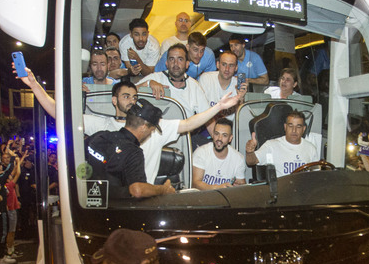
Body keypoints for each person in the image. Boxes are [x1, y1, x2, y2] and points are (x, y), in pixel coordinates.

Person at [21, 72, 242, 185]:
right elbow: (58, 113)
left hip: (145, 198)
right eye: (126, 96)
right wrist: (34, 85)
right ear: (114, 100)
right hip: (116, 200)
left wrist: (219, 107)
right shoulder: (102, 126)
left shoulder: (153, 127)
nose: (131, 101)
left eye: (135, 97)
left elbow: (189, 123)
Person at [86, 99, 177, 199]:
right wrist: (163, 189)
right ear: (144, 127)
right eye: (152, 130)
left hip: (85, 206)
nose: (150, 134)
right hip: (113, 209)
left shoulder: (99, 136)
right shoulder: (133, 152)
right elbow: (137, 190)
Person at [138, 44, 210, 117]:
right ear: (167, 63)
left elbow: (207, 116)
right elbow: (128, 93)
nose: (175, 63)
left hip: (185, 127)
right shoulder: (155, 78)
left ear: (187, 64)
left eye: (180, 59)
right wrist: (148, 83)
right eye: (171, 59)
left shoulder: (194, 86)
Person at [245, 111, 318, 178]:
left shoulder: (311, 148)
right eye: (290, 126)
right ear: (285, 127)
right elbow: (251, 161)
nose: (294, 130)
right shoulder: (272, 145)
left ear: (303, 129)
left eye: (298, 126)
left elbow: (316, 176)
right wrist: (249, 152)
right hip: (281, 190)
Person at [191, 119, 247, 190]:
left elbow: (242, 187)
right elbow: (195, 184)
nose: (219, 139)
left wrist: (238, 187)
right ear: (213, 135)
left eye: (224, 135)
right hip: (203, 198)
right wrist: (217, 188)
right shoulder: (201, 152)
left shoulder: (238, 159)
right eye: (217, 134)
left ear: (230, 138)